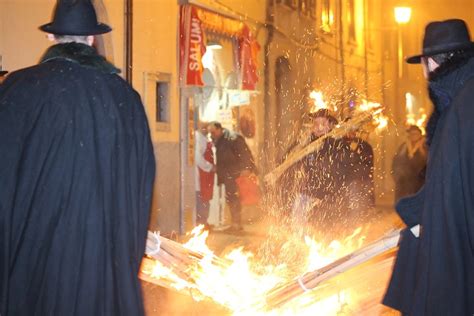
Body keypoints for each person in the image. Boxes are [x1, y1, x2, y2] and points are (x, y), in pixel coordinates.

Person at [0, 1, 155, 315]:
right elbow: (141, 191)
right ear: (93, 39)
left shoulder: (17, 89)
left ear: (52, 38)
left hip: (36, 266)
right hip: (103, 268)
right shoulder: (126, 99)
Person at [383, 19, 474, 315]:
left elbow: (449, 186)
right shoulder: (461, 99)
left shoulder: (459, 111)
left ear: (430, 63)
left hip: (456, 257)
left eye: (422, 63)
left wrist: (419, 213)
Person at [208, 121, 257, 232]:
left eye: (213, 132)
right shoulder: (221, 139)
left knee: (234, 198)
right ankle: (235, 223)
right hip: (228, 174)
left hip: (235, 174)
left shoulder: (233, 138)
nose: (212, 134)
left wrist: (247, 169)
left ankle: (236, 223)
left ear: (219, 129)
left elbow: (245, 153)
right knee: (231, 198)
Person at [391, 125, 427, 203]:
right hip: (405, 178)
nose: (413, 136)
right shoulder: (404, 146)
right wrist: (396, 174)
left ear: (420, 135)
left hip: (420, 179)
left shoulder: (425, 146)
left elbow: (428, 160)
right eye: (411, 134)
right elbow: (396, 160)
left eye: (416, 134)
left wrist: (421, 150)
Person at [194, 121, 215, 229]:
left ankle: (204, 221)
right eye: (204, 126)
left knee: (206, 199)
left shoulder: (205, 138)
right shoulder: (197, 138)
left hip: (206, 177)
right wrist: (210, 167)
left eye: (207, 127)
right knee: (201, 199)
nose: (206, 129)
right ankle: (200, 223)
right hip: (201, 176)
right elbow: (197, 158)